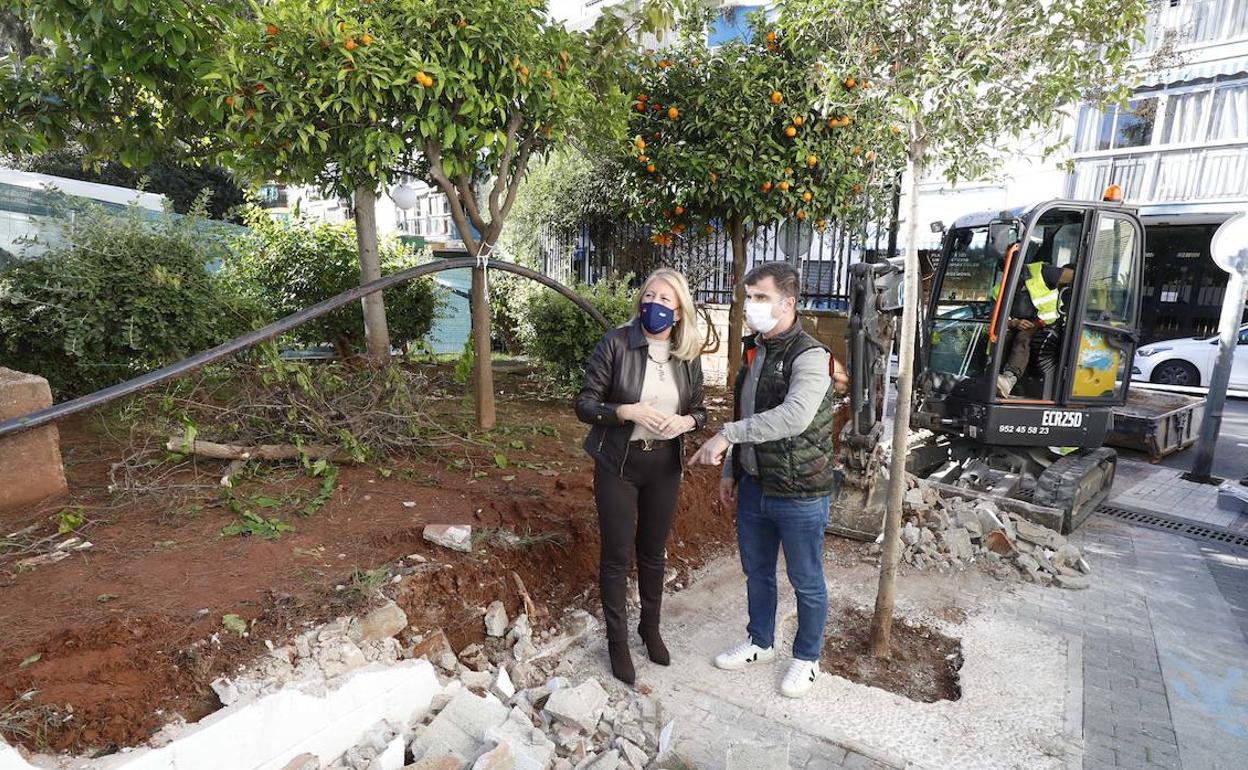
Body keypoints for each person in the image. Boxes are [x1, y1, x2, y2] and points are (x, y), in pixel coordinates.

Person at [688, 262, 837, 699]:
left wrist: (726, 437)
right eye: (748, 298)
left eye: (761, 298)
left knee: (806, 579)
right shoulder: (754, 351)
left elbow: (793, 417)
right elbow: (745, 413)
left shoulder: (812, 356)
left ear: (787, 303)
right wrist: (733, 469)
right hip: (755, 485)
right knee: (757, 572)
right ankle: (760, 642)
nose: (751, 306)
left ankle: (807, 659)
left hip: (800, 491)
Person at [575, 268, 707, 685]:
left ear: (680, 311)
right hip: (619, 464)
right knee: (616, 557)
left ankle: (649, 628)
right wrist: (625, 412)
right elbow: (584, 404)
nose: (656, 305)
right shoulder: (616, 342)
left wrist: (686, 423)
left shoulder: (687, 356)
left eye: (666, 300)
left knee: (653, 552)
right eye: (650, 296)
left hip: (664, 465)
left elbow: (701, 411)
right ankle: (616, 642)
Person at [994, 243, 1074, 397]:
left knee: (1023, 337)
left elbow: (1077, 276)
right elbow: (995, 317)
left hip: (1051, 322)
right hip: (1024, 324)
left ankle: (1009, 379)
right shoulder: (1001, 287)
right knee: (1003, 336)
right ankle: (994, 377)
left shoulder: (1041, 272)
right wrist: (1014, 322)